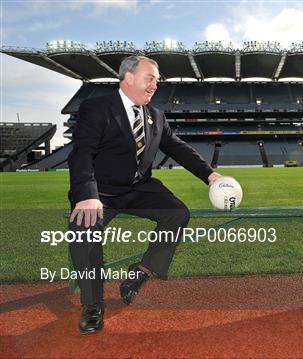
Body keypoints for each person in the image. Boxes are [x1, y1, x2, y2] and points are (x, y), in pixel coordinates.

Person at [68, 55, 221, 334]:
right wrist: (87, 195)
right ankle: (92, 304)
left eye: (157, 80)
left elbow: (178, 148)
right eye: (149, 78)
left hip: (139, 188)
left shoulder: (156, 115)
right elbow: (82, 154)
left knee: (177, 213)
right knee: (84, 231)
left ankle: (140, 272)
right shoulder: (97, 108)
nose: (155, 84)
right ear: (128, 77)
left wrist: (209, 175)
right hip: (101, 190)